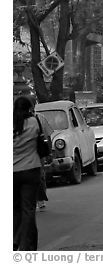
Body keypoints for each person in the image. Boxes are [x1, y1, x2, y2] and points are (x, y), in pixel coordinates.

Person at [13, 96, 51, 250]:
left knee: (15, 209)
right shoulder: (35, 122)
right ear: (29, 108)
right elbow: (43, 141)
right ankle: (27, 244)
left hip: (11, 173)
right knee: (28, 209)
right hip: (31, 170)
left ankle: (15, 239)